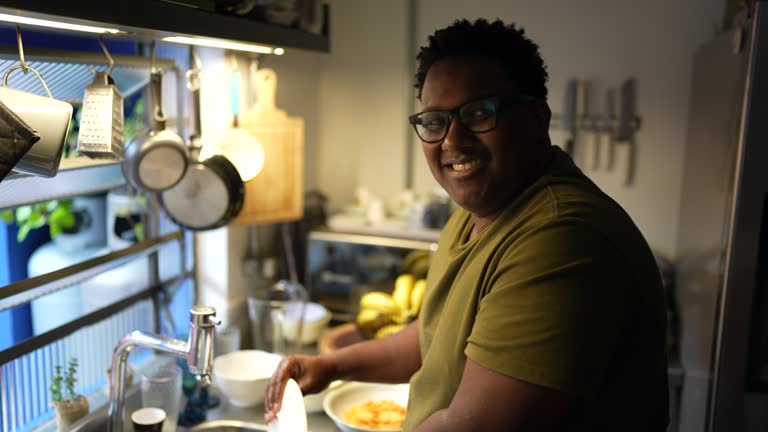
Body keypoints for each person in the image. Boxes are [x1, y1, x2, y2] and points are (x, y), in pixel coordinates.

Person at [265, 18, 669, 431]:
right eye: (435, 121)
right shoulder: (477, 215)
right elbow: (432, 339)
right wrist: (331, 366)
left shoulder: (561, 238)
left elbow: (472, 426)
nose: (453, 141)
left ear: (536, 119)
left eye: (478, 114)